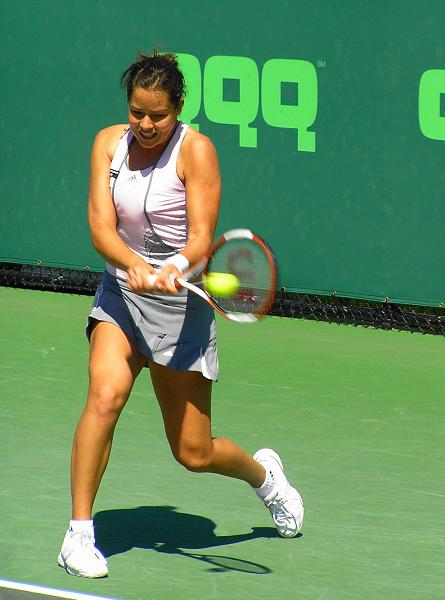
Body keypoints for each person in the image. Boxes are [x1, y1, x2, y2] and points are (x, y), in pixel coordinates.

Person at [57, 49, 304, 579]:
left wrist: (171, 266)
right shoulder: (108, 145)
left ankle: (264, 476)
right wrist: (132, 265)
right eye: (136, 113)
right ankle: (78, 535)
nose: (145, 125)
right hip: (120, 300)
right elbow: (102, 230)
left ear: (178, 108)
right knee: (105, 396)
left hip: (178, 313)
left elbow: (199, 241)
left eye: (157, 115)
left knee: (194, 452)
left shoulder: (198, 153)